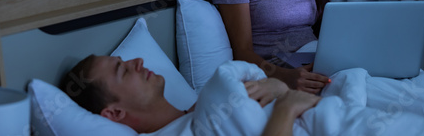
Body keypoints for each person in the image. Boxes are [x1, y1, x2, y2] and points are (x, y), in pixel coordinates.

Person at [61, 55, 321, 134]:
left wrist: (279, 88)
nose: (138, 60)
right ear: (115, 113)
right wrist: (286, 107)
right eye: (123, 70)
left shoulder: (202, 108)